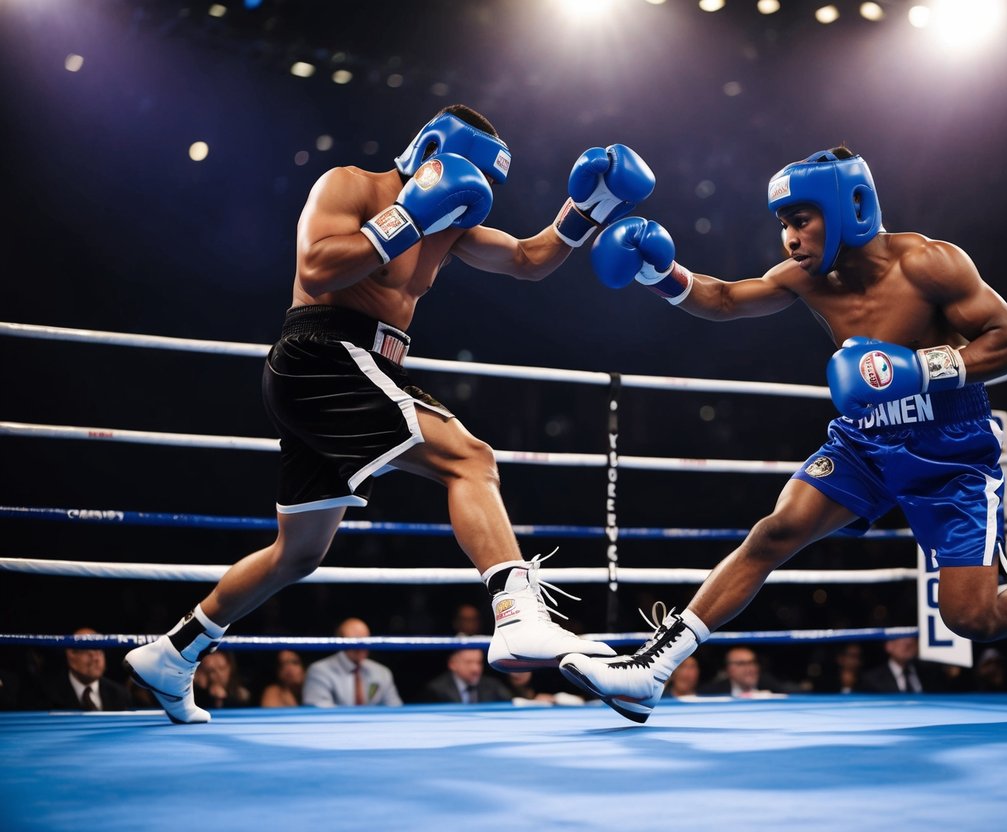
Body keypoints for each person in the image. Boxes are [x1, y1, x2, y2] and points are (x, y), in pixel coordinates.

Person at [123, 103, 658, 723]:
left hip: (362, 368)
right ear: (430, 151)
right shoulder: (350, 184)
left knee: (298, 553)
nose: (473, 195)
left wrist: (587, 209)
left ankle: (174, 652)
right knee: (471, 460)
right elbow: (316, 268)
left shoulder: (449, 224)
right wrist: (407, 217)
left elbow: (526, 259)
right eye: (466, 175)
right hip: (322, 351)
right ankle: (517, 615)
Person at [558, 146, 1007, 723]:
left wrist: (918, 368)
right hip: (864, 444)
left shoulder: (931, 264)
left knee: (971, 618)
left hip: (950, 454)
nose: (789, 239)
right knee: (775, 531)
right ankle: (652, 672)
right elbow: (728, 299)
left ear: (848, 208)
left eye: (800, 221)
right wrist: (660, 273)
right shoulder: (808, 278)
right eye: (783, 224)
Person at [302, 617, 402, 707]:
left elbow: (395, 709)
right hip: (336, 727)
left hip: (375, 726)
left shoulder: (382, 672)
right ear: (340, 641)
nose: (361, 646)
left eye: (365, 640)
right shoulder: (319, 671)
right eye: (355, 640)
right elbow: (320, 711)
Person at [33, 627, 131, 712]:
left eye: (100, 650)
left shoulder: (119, 694)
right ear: (71, 655)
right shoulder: (47, 695)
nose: (96, 658)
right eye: (89, 650)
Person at [422, 648, 512, 704]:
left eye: (479, 662)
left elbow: (511, 705)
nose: (475, 669)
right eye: (468, 662)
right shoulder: (436, 690)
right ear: (452, 664)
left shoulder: (494, 687)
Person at [698, 646, 787, 698]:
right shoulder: (712, 693)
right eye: (741, 664)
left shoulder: (772, 686)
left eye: (752, 662)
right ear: (728, 669)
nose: (749, 669)